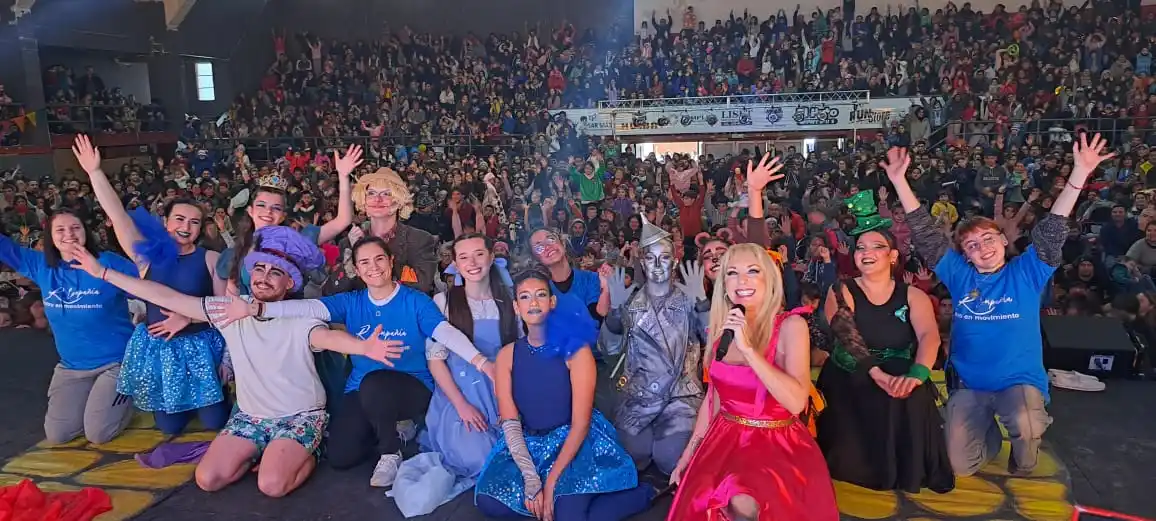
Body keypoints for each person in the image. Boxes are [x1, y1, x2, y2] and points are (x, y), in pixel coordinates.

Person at [62, 226, 403, 498]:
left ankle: (305, 452)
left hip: (299, 416)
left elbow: (327, 338)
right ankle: (260, 451)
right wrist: (103, 273)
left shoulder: (299, 316)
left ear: (289, 284)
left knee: (272, 485)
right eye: (260, 268)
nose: (264, 277)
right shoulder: (231, 310)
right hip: (249, 416)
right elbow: (166, 296)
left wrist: (363, 347)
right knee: (207, 479)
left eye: (275, 273)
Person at [883, 134, 1115, 477]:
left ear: (1004, 239)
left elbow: (1052, 230)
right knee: (961, 467)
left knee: (1026, 441)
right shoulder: (960, 275)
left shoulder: (1027, 271)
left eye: (988, 239)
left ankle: (1026, 443)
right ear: (966, 255)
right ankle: (988, 433)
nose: (982, 248)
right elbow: (927, 235)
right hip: (970, 384)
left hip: (1018, 384)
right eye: (972, 245)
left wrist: (1079, 174)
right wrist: (900, 181)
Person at [209, 236, 488, 487]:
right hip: (362, 390)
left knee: (375, 382)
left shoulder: (416, 301)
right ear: (356, 268)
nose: (373, 267)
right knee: (341, 456)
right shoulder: (351, 301)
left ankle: (390, 451)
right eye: (364, 262)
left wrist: (481, 362)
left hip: (413, 386)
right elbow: (304, 307)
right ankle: (395, 427)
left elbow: (445, 333)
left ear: (391, 262)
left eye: (379, 259)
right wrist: (257, 308)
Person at [71, 135, 229, 436]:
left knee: (214, 422)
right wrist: (94, 173)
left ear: (200, 229)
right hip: (161, 348)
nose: (186, 227)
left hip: (200, 346)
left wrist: (189, 318)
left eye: (194, 222)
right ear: (166, 222)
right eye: (179, 219)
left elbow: (224, 310)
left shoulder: (211, 258)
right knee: (169, 427)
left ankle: (216, 399)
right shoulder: (146, 256)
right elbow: (117, 214)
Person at [667, 243, 838, 521]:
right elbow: (714, 399)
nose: (741, 280)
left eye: (752, 271)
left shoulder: (790, 326)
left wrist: (749, 350)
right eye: (732, 273)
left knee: (743, 498)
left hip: (776, 442)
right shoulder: (720, 330)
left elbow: (796, 402)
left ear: (769, 279)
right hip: (724, 439)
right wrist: (689, 453)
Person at [474, 269, 653, 521]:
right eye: (525, 297)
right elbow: (511, 423)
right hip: (530, 444)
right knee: (488, 500)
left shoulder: (576, 351)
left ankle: (641, 495)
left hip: (574, 443)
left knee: (564, 511)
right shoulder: (507, 355)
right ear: (516, 307)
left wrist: (550, 485)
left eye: (540, 295)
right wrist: (532, 479)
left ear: (552, 301)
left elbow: (580, 424)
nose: (533, 303)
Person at [817, 190, 953, 493]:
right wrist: (876, 374)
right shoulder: (842, 289)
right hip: (851, 369)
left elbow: (929, 336)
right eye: (860, 247)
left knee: (911, 395)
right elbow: (847, 336)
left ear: (892, 256)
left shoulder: (913, 295)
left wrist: (918, 374)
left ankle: (908, 469)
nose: (867, 252)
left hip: (900, 364)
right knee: (872, 392)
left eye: (877, 246)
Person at [395, 232, 520, 512]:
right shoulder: (444, 302)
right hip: (460, 392)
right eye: (463, 256)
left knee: (520, 453)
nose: (472, 262)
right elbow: (436, 361)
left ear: (491, 257)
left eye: (478, 254)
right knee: (481, 458)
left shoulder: (510, 300)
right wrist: (461, 406)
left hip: (501, 386)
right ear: (456, 264)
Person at [0, 210, 137, 444]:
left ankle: (131, 394)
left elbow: (150, 285)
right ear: (50, 237)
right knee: (58, 435)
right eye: (60, 230)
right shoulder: (42, 266)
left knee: (98, 434)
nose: (69, 235)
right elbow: (5, 247)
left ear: (86, 231)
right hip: (72, 367)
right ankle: (98, 397)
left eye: (75, 228)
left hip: (117, 362)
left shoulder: (110, 263)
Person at [605, 215, 708, 476]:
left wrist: (703, 305)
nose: (658, 265)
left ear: (674, 261)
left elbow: (714, 342)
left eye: (664, 258)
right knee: (631, 458)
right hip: (639, 397)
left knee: (670, 459)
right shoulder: (630, 302)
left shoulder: (688, 299)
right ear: (642, 261)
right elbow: (610, 350)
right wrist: (615, 313)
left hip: (680, 396)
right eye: (651, 258)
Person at [217, 145, 360, 294]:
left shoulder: (300, 240)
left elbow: (343, 220)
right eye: (261, 205)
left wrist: (343, 177)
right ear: (250, 211)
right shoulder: (236, 252)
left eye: (276, 207)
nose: (268, 211)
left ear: (283, 215)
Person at [327, 167, 440, 295]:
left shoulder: (419, 239)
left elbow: (421, 287)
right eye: (371, 193)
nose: (377, 199)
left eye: (386, 194)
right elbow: (331, 292)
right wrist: (353, 257)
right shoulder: (347, 243)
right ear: (364, 202)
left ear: (398, 202)